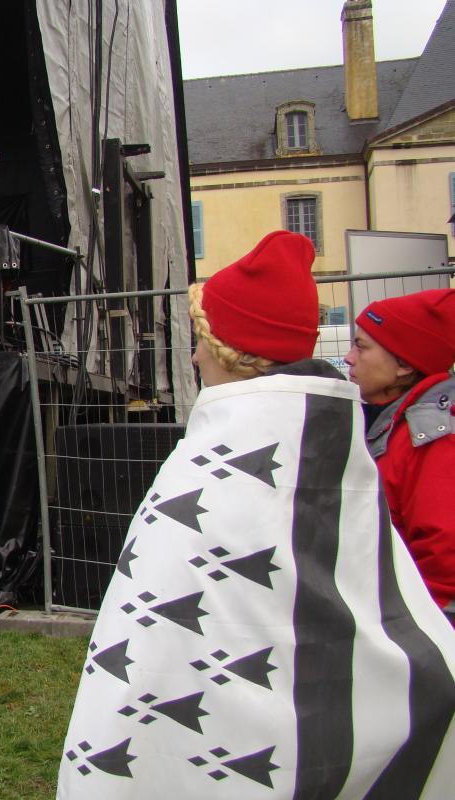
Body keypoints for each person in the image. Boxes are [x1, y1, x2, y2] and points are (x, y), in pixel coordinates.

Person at [58, 232, 455, 800]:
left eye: (200, 340)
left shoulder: (215, 461)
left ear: (230, 349)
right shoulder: (340, 443)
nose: (193, 355)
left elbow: (155, 629)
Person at [345, 288, 455, 622]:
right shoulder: (393, 422)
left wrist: (415, 637)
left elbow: (445, 558)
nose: (349, 357)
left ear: (405, 365)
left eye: (361, 346)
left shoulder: (433, 439)